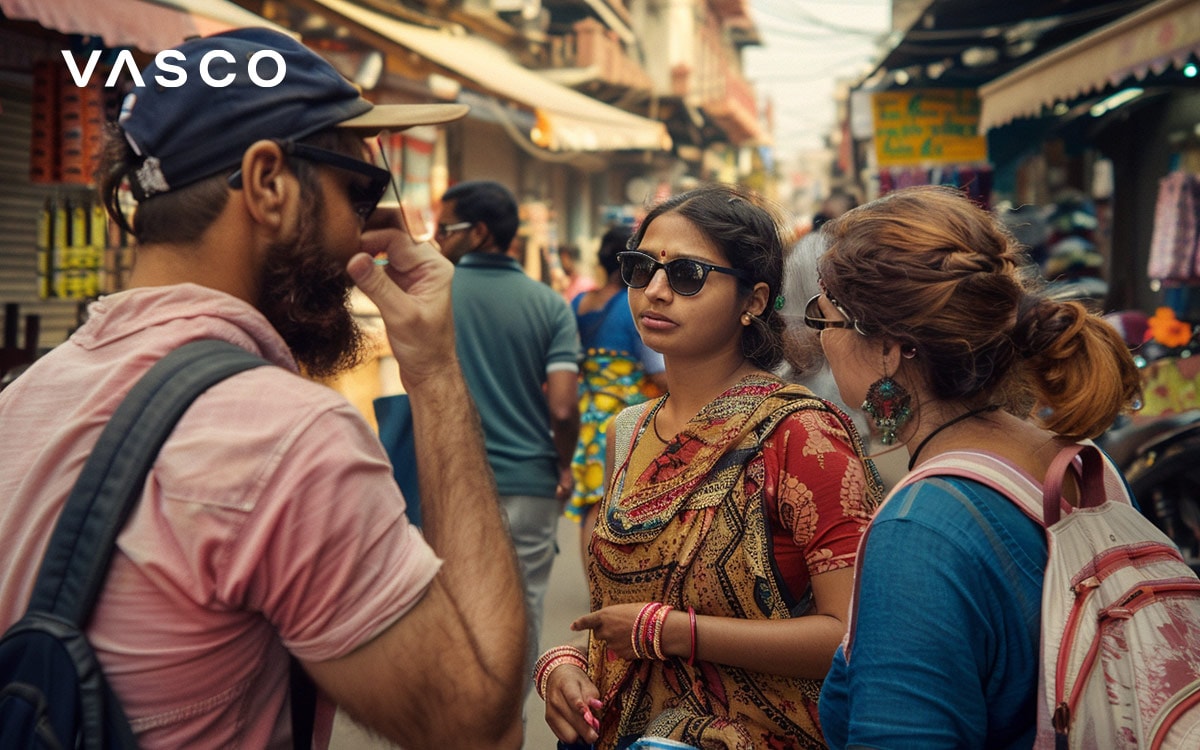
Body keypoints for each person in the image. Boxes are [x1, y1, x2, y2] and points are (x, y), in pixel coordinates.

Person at [0, 29, 528, 749]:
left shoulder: (26, 397)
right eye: (361, 189)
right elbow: (479, 725)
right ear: (269, 183)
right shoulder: (287, 441)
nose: (379, 229)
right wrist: (434, 373)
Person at [536, 184, 884, 749]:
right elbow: (619, 619)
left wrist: (672, 634)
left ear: (753, 300)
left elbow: (850, 636)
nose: (654, 291)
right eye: (640, 267)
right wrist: (564, 666)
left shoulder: (802, 434)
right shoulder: (626, 431)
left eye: (687, 276)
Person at [812, 185, 1141, 748]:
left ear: (888, 349)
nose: (821, 341)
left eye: (826, 320)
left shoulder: (918, 532)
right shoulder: (1084, 465)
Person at [435, 180, 582, 687]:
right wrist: (563, 464)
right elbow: (562, 408)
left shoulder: (431, 298)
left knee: (452, 612)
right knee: (522, 615)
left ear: (477, 232)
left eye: (443, 228)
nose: (435, 240)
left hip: (447, 486)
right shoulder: (549, 305)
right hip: (529, 485)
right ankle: (506, 729)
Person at [566, 225, 668, 561]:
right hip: (622, 415)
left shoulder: (581, 302)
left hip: (587, 408)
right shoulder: (631, 307)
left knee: (590, 505)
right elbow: (654, 369)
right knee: (611, 505)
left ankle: (591, 587)